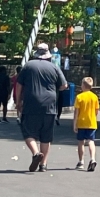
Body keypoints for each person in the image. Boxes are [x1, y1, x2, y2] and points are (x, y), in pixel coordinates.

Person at [15, 43, 67, 172]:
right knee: (46, 135)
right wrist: (55, 88)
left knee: (27, 131)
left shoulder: (28, 66)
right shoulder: (54, 67)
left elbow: (19, 85)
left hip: (31, 102)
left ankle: (36, 153)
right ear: (47, 55)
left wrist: (18, 101)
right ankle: (43, 165)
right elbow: (64, 85)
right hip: (49, 105)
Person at [73, 76, 99, 172]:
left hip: (81, 122)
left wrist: (74, 124)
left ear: (83, 85)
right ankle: (92, 159)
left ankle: (81, 161)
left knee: (81, 142)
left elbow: (76, 112)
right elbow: (96, 111)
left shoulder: (79, 97)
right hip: (91, 122)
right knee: (91, 141)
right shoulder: (94, 97)